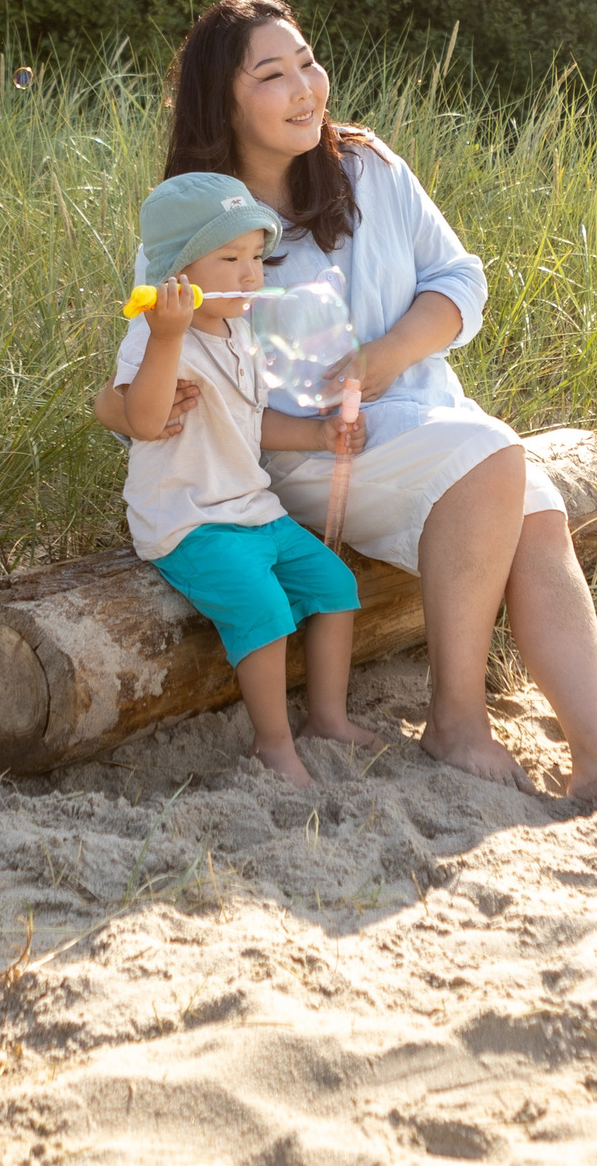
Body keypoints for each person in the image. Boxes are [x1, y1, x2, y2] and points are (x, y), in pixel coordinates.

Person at [97, 0, 597, 807]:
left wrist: (389, 353)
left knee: (537, 508)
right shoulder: (196, 221)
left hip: (423, 422)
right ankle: (457, 721)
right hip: (297, 455)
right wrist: (149, 408)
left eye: (307, 61)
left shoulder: (367, 166)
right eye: (272, 74)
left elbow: (461, 279)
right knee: (491, 455)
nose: (306, 86)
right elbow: (147, 366)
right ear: (223, 102)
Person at [113, 172, 380, 786]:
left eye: (256, 257)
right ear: (176, 273)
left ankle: (328, 718)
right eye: (229, 258)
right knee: (263, 608)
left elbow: (249, 421)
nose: (250, 273)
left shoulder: (238, 329)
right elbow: (145, 421)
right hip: (189, 518)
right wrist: (168, 337)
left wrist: (318, 435)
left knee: (335, 585)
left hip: (251, 508)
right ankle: (272, 744)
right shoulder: (155, 336)